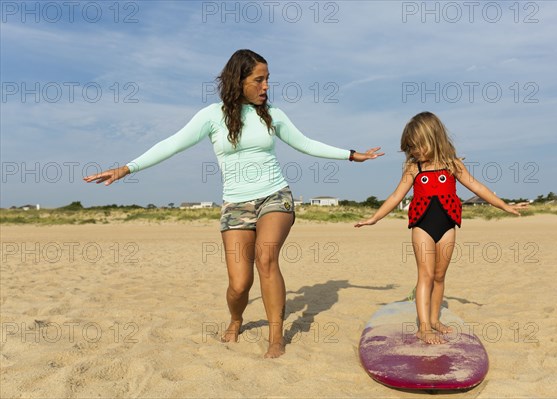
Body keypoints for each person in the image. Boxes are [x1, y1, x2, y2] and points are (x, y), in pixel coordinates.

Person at [84, 49, 383, 358]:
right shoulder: (212, 116)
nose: (266, 86)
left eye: (268, 79)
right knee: (240, 284)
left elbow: (306, 143)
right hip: (236, 204)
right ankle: (237, 318)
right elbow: (171, 144)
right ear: (238, 80)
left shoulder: (273, 114)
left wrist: (351, 154)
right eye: (259, 79)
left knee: (266, 259)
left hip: (274, 195)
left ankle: (276, 337)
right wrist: (127, 168)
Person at [354, 111, 527, 344]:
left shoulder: (452, 165)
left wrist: (505, 206)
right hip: (422, 226)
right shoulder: (415, 169)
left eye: (417, 146)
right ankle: (424, 327)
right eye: (410, 148)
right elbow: (396, 196)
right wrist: (375, 218)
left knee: (439, 275)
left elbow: (478, 188)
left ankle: (434, 320)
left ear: (433, 138)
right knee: (424, 275)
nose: (414, 152)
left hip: (447, 225)